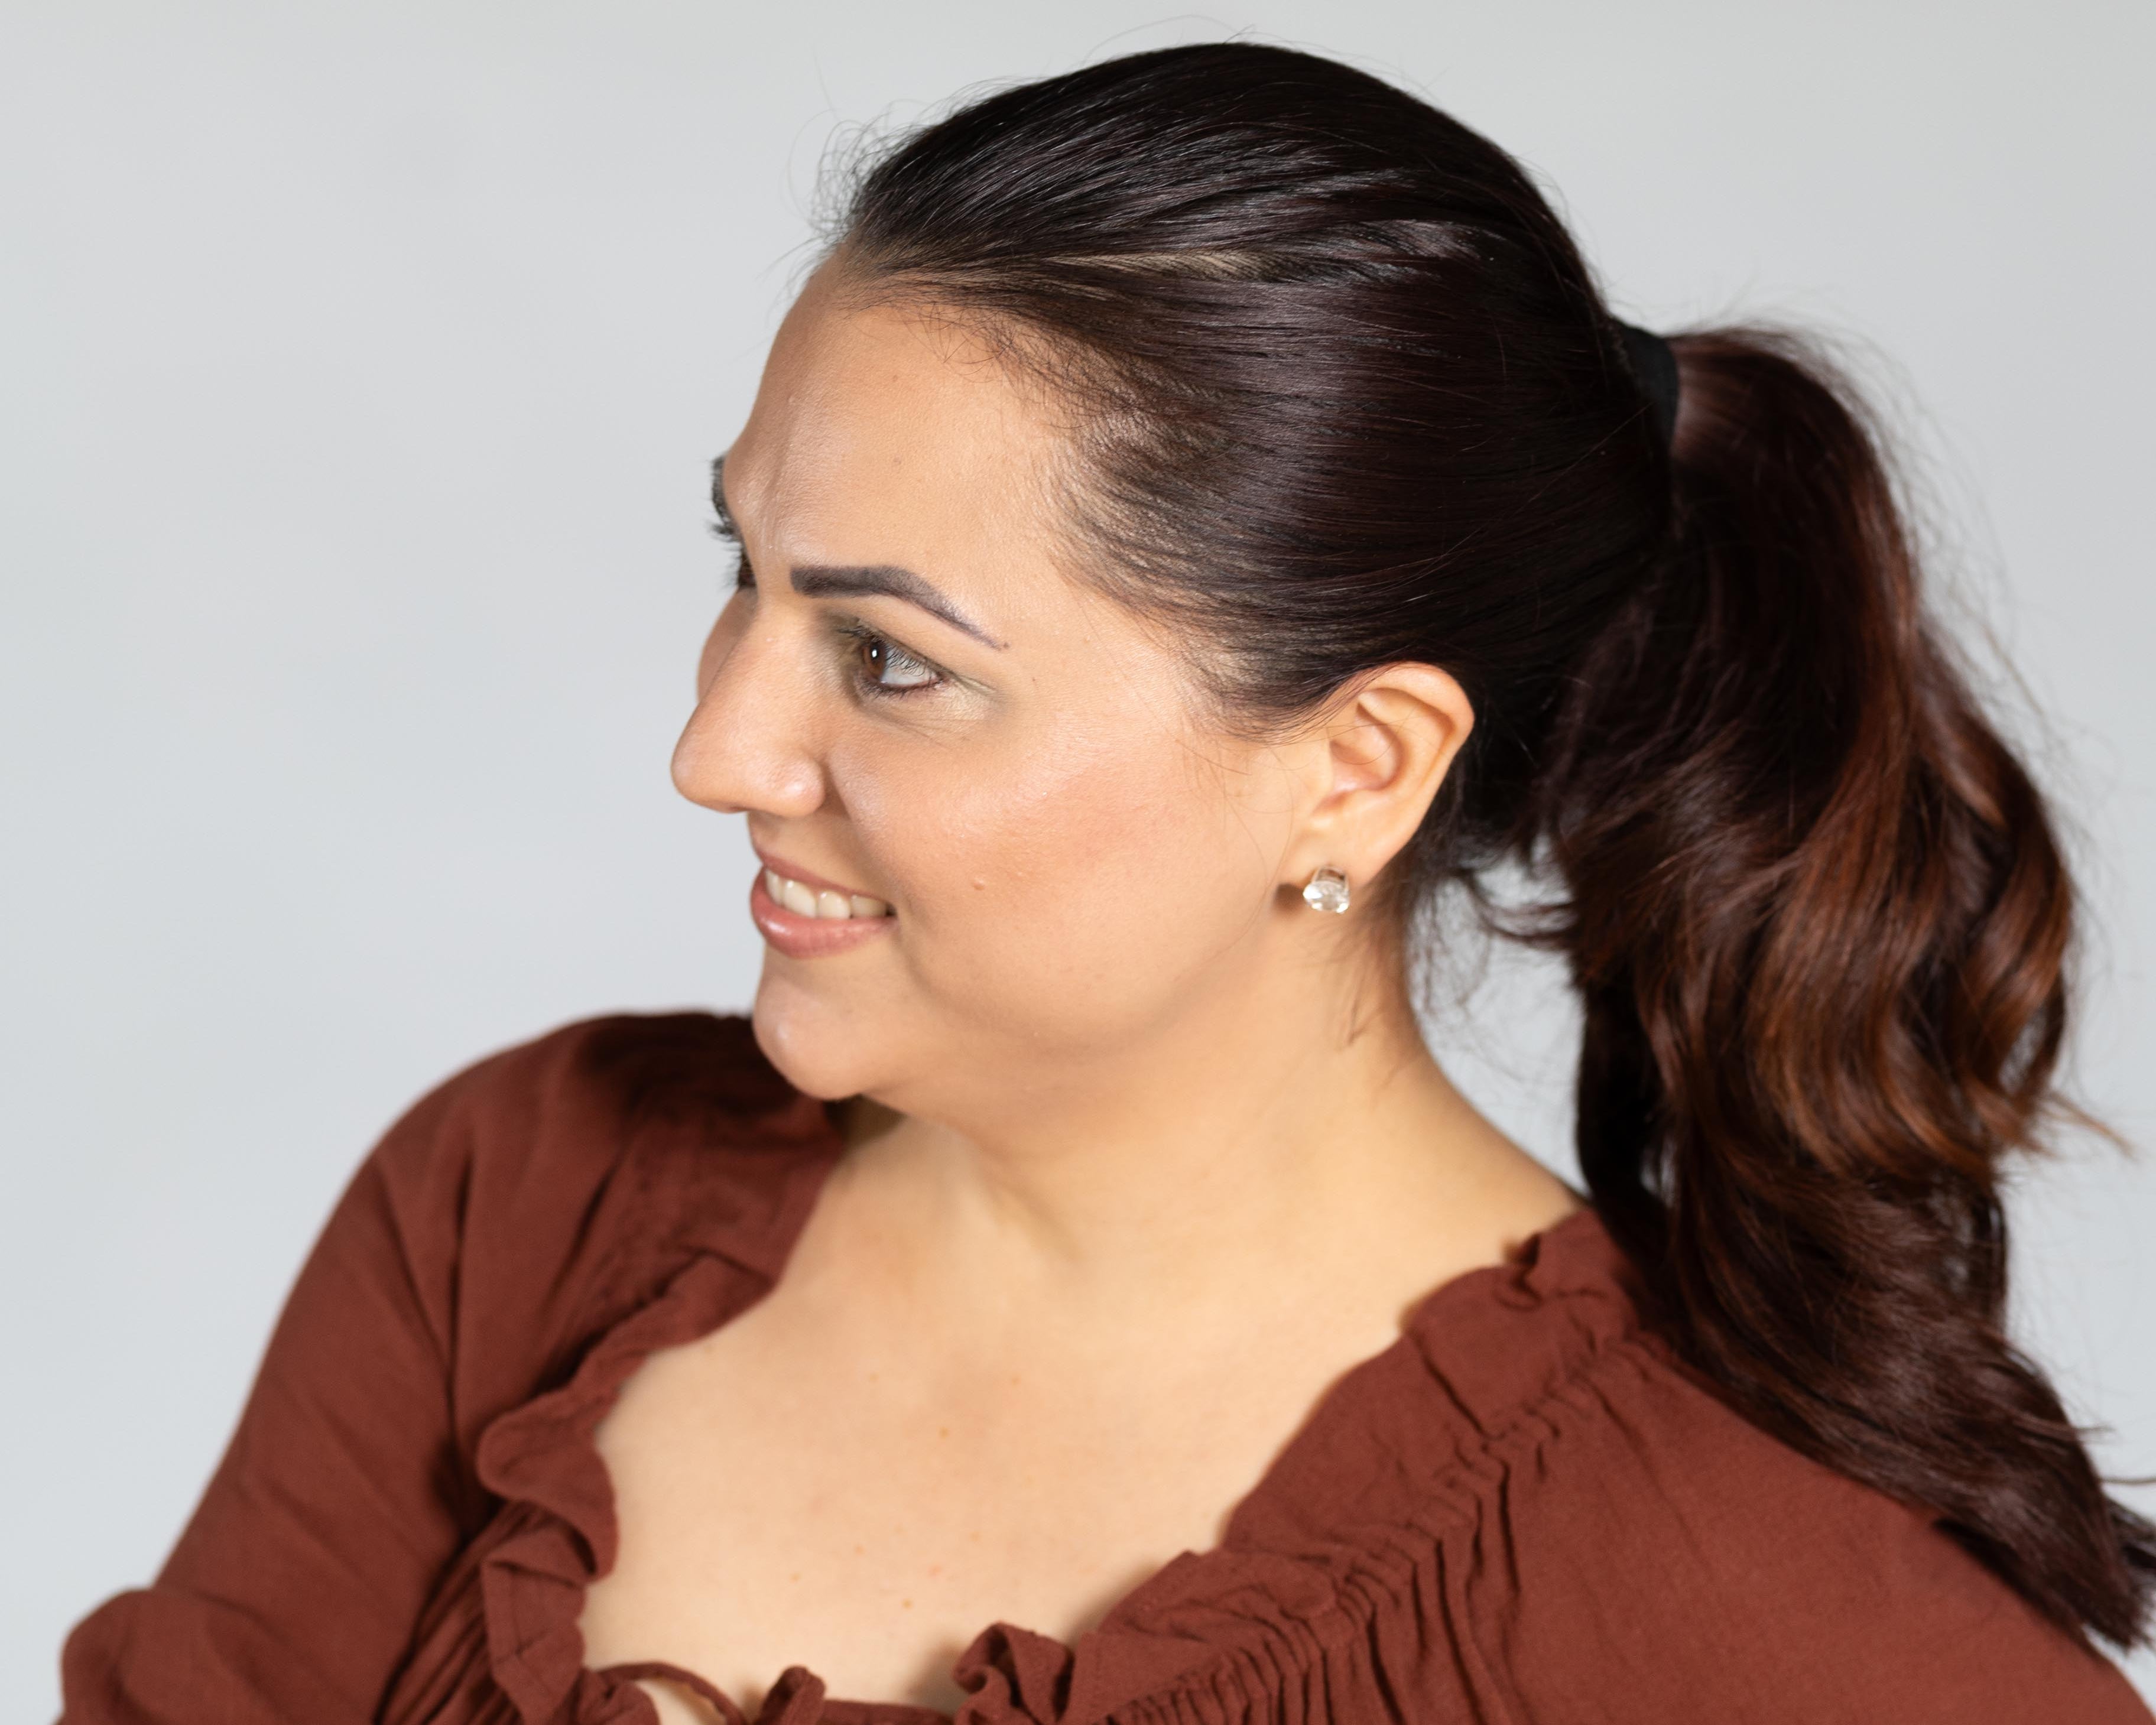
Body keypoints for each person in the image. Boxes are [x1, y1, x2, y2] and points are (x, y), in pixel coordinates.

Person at [56, 40, 2154, 1725]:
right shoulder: (520, 1202)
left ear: (1356, 769)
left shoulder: (1726, 1582)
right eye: (744, 574)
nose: (715, 753)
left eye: (893, 659)